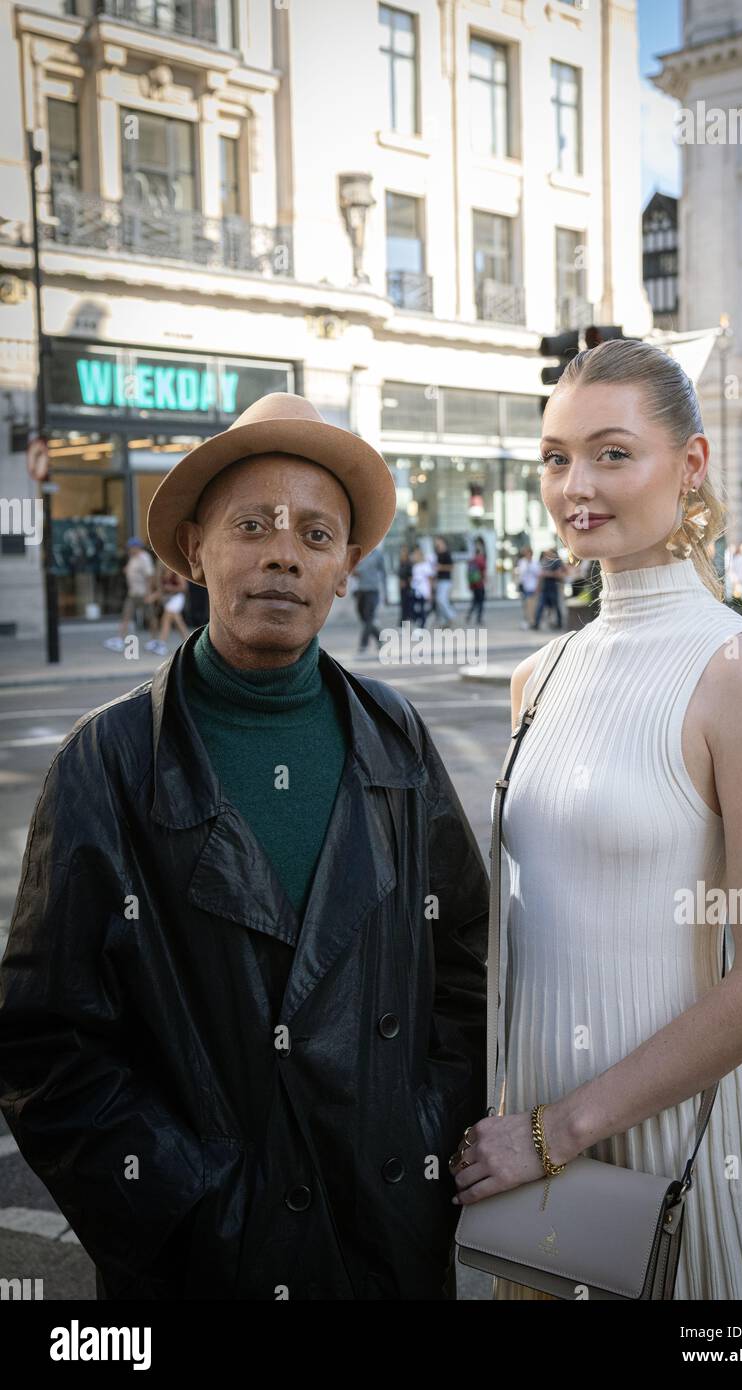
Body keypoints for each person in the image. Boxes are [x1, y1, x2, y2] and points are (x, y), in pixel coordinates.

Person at [0, 391, 488, 1301]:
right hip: (200, 1264)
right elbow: (46, 1038)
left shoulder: (396, 736)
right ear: (196, 551)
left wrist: (417, 1136)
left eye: (314, 534)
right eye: (252, 525)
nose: (281, 553)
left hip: (383, 1240)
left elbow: (463, 966)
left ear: (345, 568)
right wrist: (184, 1204)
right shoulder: (105, 761)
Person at [449, 338, 742, 1300]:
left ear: (689, 465)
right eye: (555, 456)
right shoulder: (540, 675)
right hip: (529, 1137)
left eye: (612, 452)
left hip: (673, 1142)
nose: (576, 484)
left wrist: (555, 1134)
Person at [103, 537, 154, 651]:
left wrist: (148, 593)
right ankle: (120, 639)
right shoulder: (133, 558)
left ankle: (154, 640)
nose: (129, 550)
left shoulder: (144, 558)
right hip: (133, 593)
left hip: (143, 593)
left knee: (150, 617)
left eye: (131, 548)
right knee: (126, 615)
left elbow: (149, 576)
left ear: (137, 547)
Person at [144, 562, 190, 656]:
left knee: (166, 618)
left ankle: (162, 644)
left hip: (177, 598)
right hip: (168, 599)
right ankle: (189, 643)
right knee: (178, 622)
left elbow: (184, 588)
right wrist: (153, 597)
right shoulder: (162, 574)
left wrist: (171, 588)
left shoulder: (175, 573)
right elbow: (161, 591)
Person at [351, 542, 387, 656]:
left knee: (369, 618)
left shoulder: (378, 555)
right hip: (361, 591)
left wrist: (386, 594)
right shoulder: (362, 555)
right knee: (363, 618)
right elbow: (354, 570)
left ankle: (363, 645)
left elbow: (384, 573)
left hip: (373, 591)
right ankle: (379, 637)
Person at [531, 546, 567, 630]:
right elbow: (540, 575)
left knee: (556, 605)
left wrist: (547, 574)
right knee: (541, 605)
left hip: (553, 585)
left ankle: (559, 623)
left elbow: (559, 574)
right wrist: (538, 586)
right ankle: (536, 623)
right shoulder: (545, 561)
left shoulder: (557, 562)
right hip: (545, 586)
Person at [433, 536, 456, 627]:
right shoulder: (437, 554)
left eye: (438, 542)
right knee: (439, 601)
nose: (437, 544)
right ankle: (445, 621)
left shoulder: (447, 553)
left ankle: (451, 616)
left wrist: (441, 567)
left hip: (446, 580)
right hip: (439, 580)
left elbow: (451, 567)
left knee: (441, 599)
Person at [514, 546, 540, 630]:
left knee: (532, 605)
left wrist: (538, 586)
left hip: (533, 586)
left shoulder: (535, 562)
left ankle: (532, 621)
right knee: (526, 605)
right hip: (524, 586)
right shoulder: (522, 562)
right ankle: (529, 621)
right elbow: (520, 574)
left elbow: (538, 575)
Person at [465, 537, 487, 625]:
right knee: (480, 601)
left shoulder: (472, 560)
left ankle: (469, 615)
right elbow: (484, 570)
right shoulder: (481, 559)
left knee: (475, 600)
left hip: (473, 583)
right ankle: (479, 618)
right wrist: (485, 578)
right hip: (479, 583)